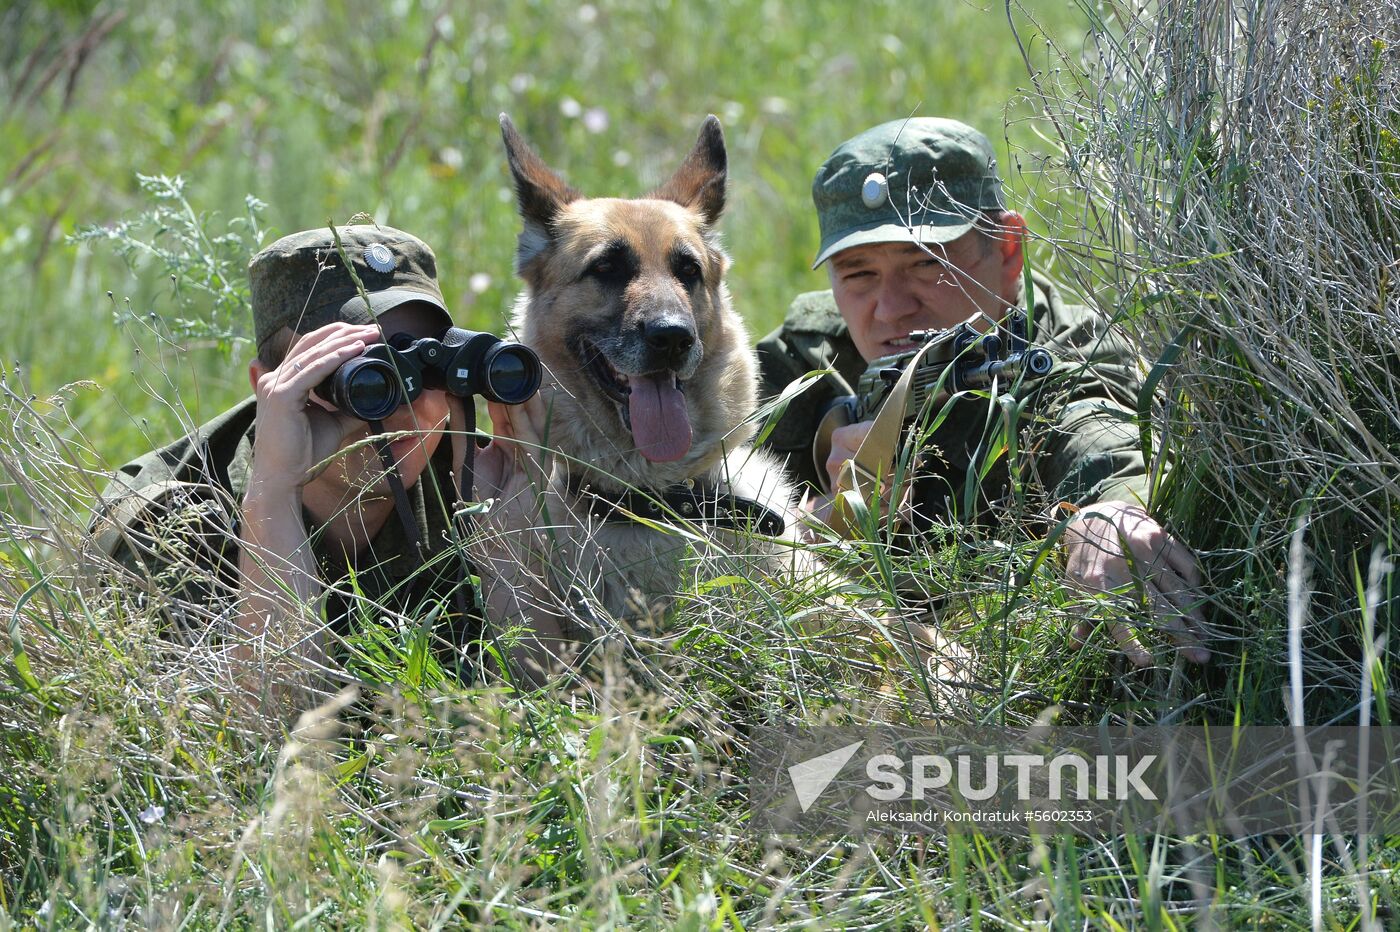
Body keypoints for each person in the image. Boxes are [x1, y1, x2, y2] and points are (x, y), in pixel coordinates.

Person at [755, 118, 1209, 667]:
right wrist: (815, 531)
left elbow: (1096, 424)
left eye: (927, 263)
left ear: (1009, 252)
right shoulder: (807, 360)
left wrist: (1107, 514)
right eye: (859, 275)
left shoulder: (1067, 348)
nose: (891, 308)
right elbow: (693, 499)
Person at [91, 224, 481, 703]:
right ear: (268, 387)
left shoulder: (478, 475)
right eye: (367, 375)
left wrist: (515, 521)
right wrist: (274, 491)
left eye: (424, 367)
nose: (404, 405)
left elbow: (547, 702)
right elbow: (260, 739)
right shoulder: (165, 521)